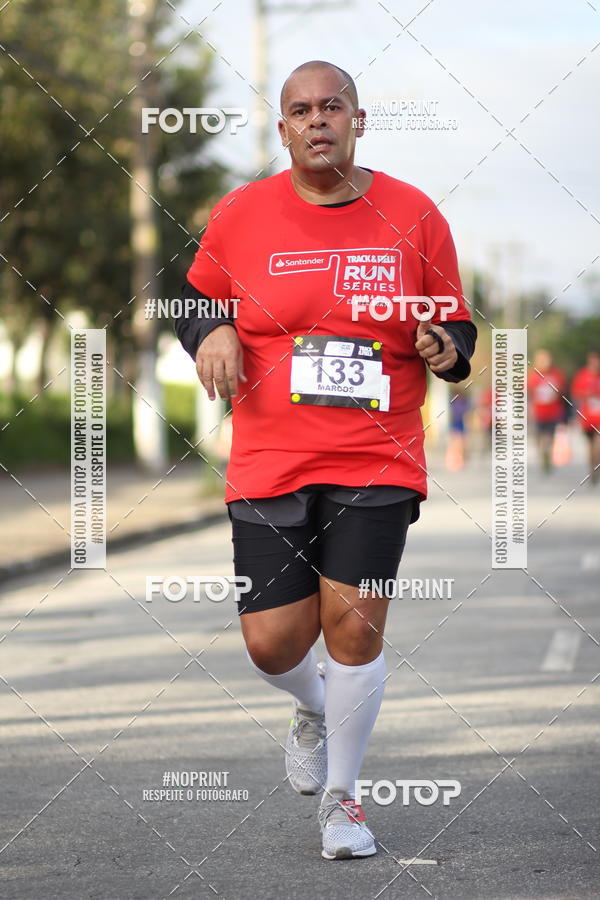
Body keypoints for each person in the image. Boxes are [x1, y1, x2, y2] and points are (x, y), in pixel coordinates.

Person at [174, 59, 476, 860]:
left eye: (332, 106)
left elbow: (455, 323)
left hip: (376, 457)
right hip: (269, 458)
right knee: (273, 643)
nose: (318, 120)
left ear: (357, 121)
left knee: (354, 628)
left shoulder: (413, 213)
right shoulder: (241, 213)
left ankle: (343, 801)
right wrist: (212, 329)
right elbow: (195, 298)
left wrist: (445, 345)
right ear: (284, 130)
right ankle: (312, 706)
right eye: (302, 110)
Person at [528, 349, 566, 473]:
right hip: (538, 413)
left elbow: (562, 392)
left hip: (553, 412)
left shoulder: (556, 374)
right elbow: (528, 393)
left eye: (546, 359)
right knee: (539, 437)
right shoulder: (533, 375)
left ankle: (547, 453)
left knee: (549, 436)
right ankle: (543, 453)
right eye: (541, 360)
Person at [572, 350, 600, 484]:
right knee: (590, 446)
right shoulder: (582, 376)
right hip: (587, 419)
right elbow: (576, 394)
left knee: (598, 445)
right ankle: (592, 468)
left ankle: (596, 467)